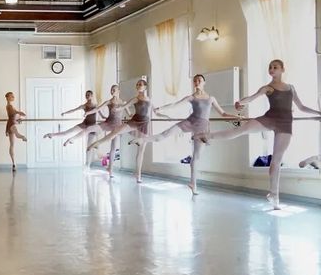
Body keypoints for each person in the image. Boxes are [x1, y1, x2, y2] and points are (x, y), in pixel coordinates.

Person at [194, 59, 321, 209]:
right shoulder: (268, 88)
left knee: (276, 161)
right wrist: (241, 102)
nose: (272, 69)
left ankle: (274, 195)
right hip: (269, 119)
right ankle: (207, 136)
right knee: (240, 130)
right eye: (270, 67)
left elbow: (301, 107)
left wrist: (318, 113)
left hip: (285, 125)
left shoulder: (291, 88)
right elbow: (252, 97)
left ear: (282, 69)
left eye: (275, 67)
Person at [129, 74, 242, 195]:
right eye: (195, 81)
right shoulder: (191, 97)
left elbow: (223, 114)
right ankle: (142, 140)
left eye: (199, 80)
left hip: (202, 127)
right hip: (189, 122)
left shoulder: (211, 98)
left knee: (196, 157)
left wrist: (236, 117)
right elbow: (175, 104)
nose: (197, 82)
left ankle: (193, 183)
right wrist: (161, 108)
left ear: (204, 82)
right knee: (164, 134)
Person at [86, 79, 154, 183]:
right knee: (114, 133)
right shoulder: (135, 99)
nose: (139, 86)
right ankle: (95, 144)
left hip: (144, 124)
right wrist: (117, 109)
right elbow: (124, 106)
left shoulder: (149, 99)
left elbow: (152, 111)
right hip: (134, 121)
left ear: (145, 87)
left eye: (141, 84)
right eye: (137, 85)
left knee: (141, 150)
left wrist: (161, 112)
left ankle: (138, 174)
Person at [44, 90, 101, 170]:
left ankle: (88, 165)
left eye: (88, 95)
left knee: (89, 147)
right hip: (84, 124)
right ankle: (51, 135)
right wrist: (65, 113)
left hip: (92, 127)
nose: (87, 96)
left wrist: (106, 119)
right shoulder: (85, 105)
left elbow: (101, 113)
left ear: (92, 95)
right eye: (86, 95)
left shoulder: (96, 105)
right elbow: (74, 110)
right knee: (67, 132)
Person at [81, 85, 124, 177]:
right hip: (109, 123)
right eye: (111, 90)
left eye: (114, 90)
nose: (112, 91)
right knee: (93, 132)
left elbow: (129, 111)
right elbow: (97, 109)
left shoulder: (123, 102)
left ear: (118, 91)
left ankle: (110, 170)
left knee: (113, 147)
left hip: (118, 126)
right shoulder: (109, 102)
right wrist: (88, 112)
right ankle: (90, 157)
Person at [4, 92, 27, 171]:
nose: (13, 97)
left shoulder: (11, 106)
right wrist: (19, 113)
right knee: (17, 135)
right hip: (11, 124)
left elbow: (14, 116)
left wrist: (18, 117)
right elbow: (13, 115)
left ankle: (14, 163)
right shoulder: (9, 106)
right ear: (7, 98)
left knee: (12, 144)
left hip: (11, 124)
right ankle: (23, 137)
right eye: (11, 96)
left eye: (13, 96)